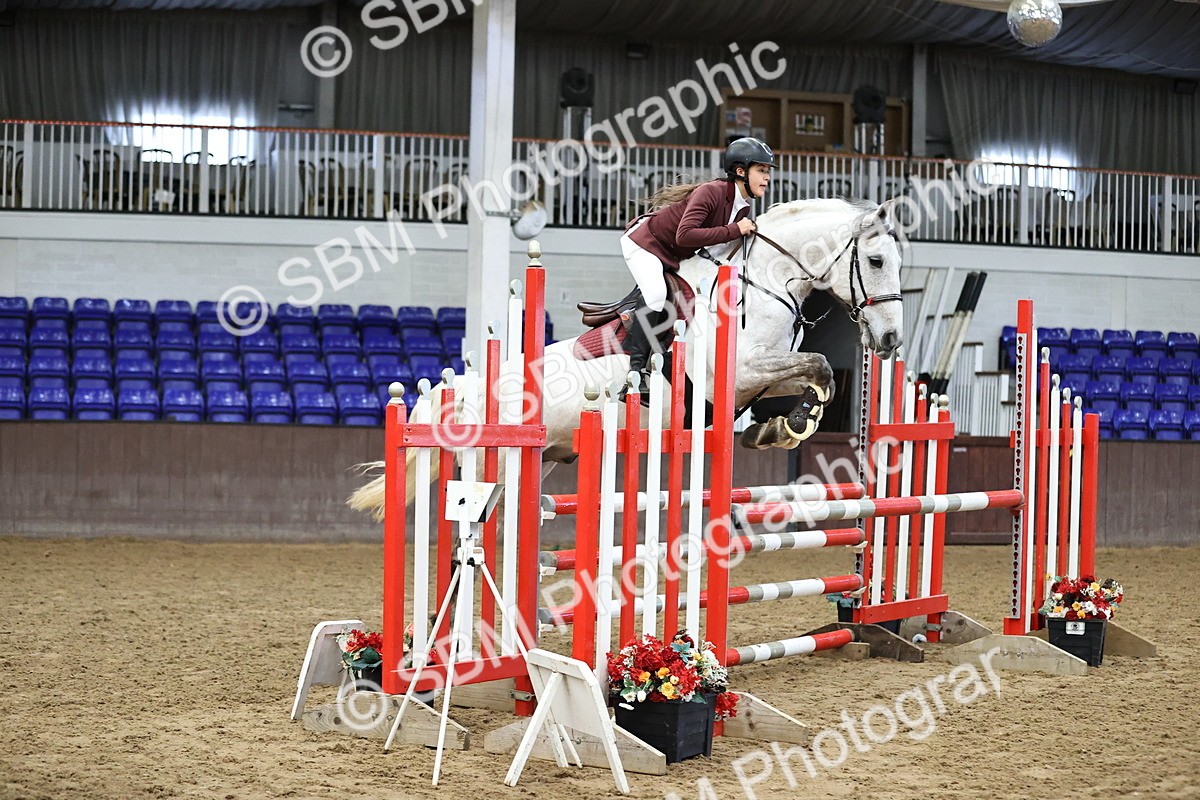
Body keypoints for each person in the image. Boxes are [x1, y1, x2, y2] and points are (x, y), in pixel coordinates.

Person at [620, 136, 775, 381]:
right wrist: (736, 230)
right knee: (657, 295)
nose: (767, 177)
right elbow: (685, 235)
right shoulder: (710, 192)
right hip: (646, 243)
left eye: (768, 171)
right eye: (762, 170)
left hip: (674, 253)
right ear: (740, 171)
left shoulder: (742, 206)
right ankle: (636, 372)